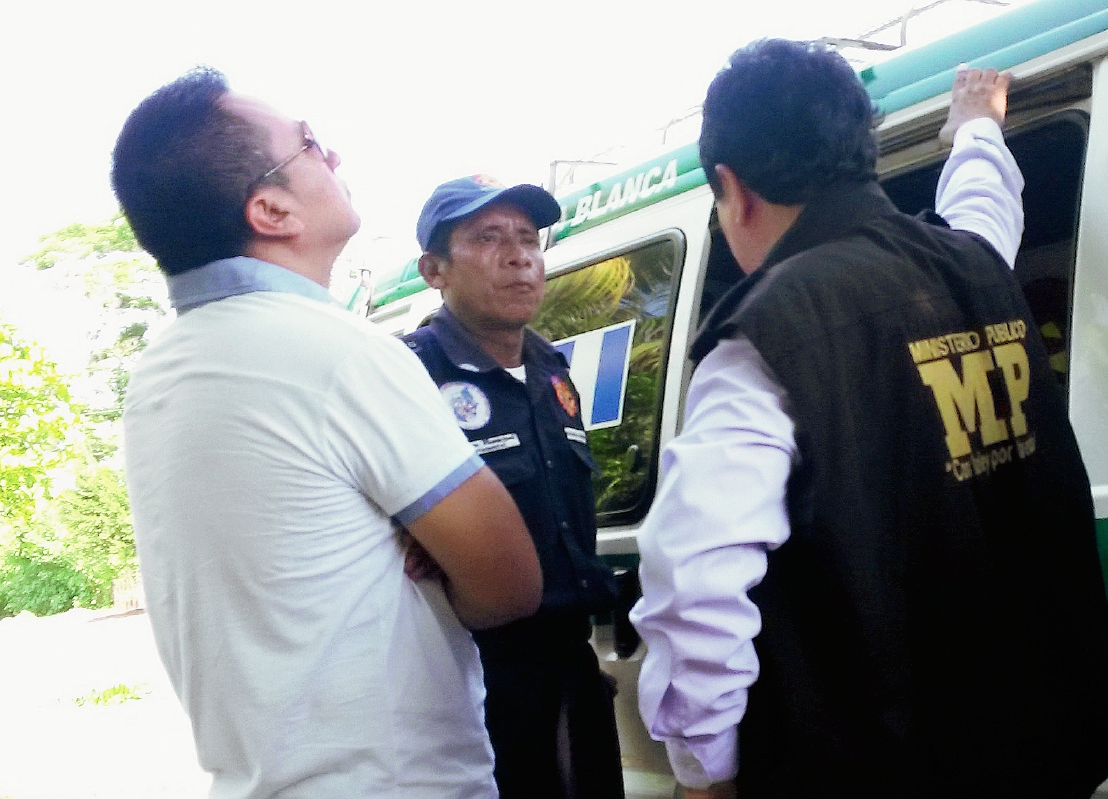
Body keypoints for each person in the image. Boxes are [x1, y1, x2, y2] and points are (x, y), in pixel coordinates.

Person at [629, 40, 1108, 799]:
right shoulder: (975, 266)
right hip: (1047, 747)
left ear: (732, 188)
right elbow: (984, 211)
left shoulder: (761, 343)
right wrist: (978, 129)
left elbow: (692, 585)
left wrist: (703, 771)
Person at [111, 68, 543, 799]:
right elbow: (510, 583)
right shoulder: (337, 349)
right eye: (310, 144)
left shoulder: (158, 374)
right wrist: (436, 555)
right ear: (271, 209)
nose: (334, 157)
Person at [402, 176, 625, 799]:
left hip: (574, 669)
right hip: (480, 682)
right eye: (488, 237)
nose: (519, 255)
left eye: (528, 238)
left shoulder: (552, 367)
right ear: (434, 269)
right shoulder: (409, 372)